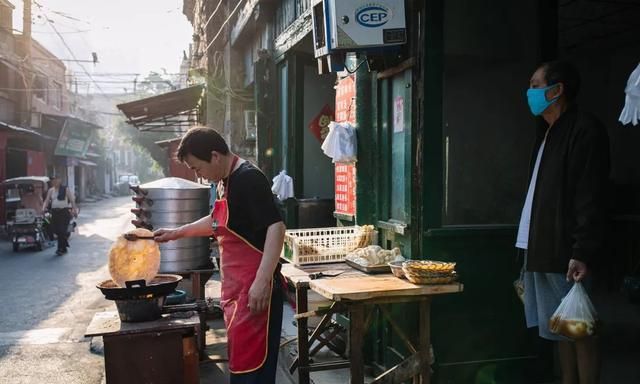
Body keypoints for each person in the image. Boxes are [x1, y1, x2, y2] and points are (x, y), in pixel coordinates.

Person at [154, 127, 285, 384]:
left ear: (215, 156)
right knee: (241, 370)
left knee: (253, 374)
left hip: (255, 294)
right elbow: (217, 221)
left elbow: (276, 227)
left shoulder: (248, 179)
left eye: (196, 168)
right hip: (238, 295)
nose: (198, 175)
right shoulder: (226, 181)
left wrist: (262, 281)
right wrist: (176, 233)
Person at [516, 60, 609, 384]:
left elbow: (590, 192)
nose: (530, 92)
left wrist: (582, 248)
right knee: (559, 326)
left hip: (565, 247)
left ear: (556, 90)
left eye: (535, 84)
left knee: (579, 328)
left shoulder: (583, 129)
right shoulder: (548, 133)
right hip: (541, 244)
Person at [43, 176, 78, 255]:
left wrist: (74, 210)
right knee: (55, 230)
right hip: (54, 213)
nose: (55, 182)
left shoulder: (65, 189)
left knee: (62, 230)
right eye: (53, 181)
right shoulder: (51, 190)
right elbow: (47, 200)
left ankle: (60, 249)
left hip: (63, 212)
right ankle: (64, 246)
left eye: (56, 180)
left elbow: (72, 200)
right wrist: (43, 208)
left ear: (60, 181)